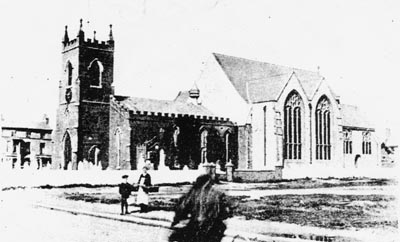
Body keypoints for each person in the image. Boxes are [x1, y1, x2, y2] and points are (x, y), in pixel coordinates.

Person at [168, 174, 231, 242]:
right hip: (213, 228)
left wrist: (176, 221)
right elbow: (225, 212)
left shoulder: (193, 193)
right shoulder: (218, 194)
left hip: (195, 227)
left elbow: (181, 208)